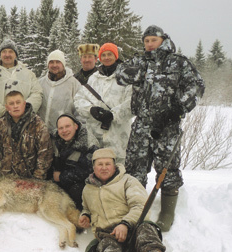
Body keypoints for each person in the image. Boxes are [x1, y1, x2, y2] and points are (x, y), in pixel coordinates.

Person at [116, 25, 205, 231]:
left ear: (162, 39)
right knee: (135, 167)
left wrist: (179, 107)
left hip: (167, 125)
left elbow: (197, 85)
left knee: (167, 167)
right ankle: (135, 208)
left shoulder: (178, 62)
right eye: (145, 41)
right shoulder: (139, 61)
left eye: (152, 40)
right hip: (142, 123)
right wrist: (140, 71)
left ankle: (166, 212)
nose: (149, 44)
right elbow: (120, 75)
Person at [79, 148, 169, 252]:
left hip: (134, 227)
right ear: (94, 168)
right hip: (109, 234)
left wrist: (125, 224)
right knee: (107, 249)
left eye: (108, 163)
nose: (104, 167)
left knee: (147, 235)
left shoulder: (128, 181)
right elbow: (87, 207)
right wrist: (85, 215)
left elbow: (141, 206)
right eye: (100, 164)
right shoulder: (88, 189)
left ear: (115, 165)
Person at [74, 43, 133, 165]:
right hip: (95, 135)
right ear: (99, 57)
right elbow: (79, 99)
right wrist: (91, 110)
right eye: (103, 55)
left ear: (116, 56)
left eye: (110, 54)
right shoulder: (94, 78)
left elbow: (131, 103)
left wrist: (113, 115)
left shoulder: (126, 78)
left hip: (118, 135)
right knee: (94, 166)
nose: (106, 57)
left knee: (118, 169)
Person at [0, 39, 43, 129]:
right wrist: (4, 113)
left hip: (25, 127)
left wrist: (24, 111)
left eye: (11, 52)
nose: (7, 55)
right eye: (4, 51)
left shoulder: (28, 74)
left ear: (15, 54)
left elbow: (37, 94)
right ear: (0, 55)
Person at [0, 90, 53, 179]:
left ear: (24, 104)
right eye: (11, 104)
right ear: (6, 107)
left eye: (18, 102)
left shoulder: (38, 125)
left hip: (30, 181)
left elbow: (45, 156)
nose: (15, 106)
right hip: (5, 181)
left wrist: (36, 180)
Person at [50, 114, 95, 210]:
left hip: (82, 184)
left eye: (67, 126)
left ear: (76, 126)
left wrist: (62, 177)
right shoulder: (53, 139)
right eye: (61, 128)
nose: (64, 131)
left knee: (77, 191)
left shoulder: (88, 143)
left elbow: (89, 171)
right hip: (59, 179)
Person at [38, 50, 82, 132]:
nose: (54, 65)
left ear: (63, 64)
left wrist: (78, 131)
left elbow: (79, 111)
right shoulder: (40, 83)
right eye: (51, 62)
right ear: (48, 65)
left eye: (58, 62)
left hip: (64, 133)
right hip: (42, 133)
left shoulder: (73, 84)